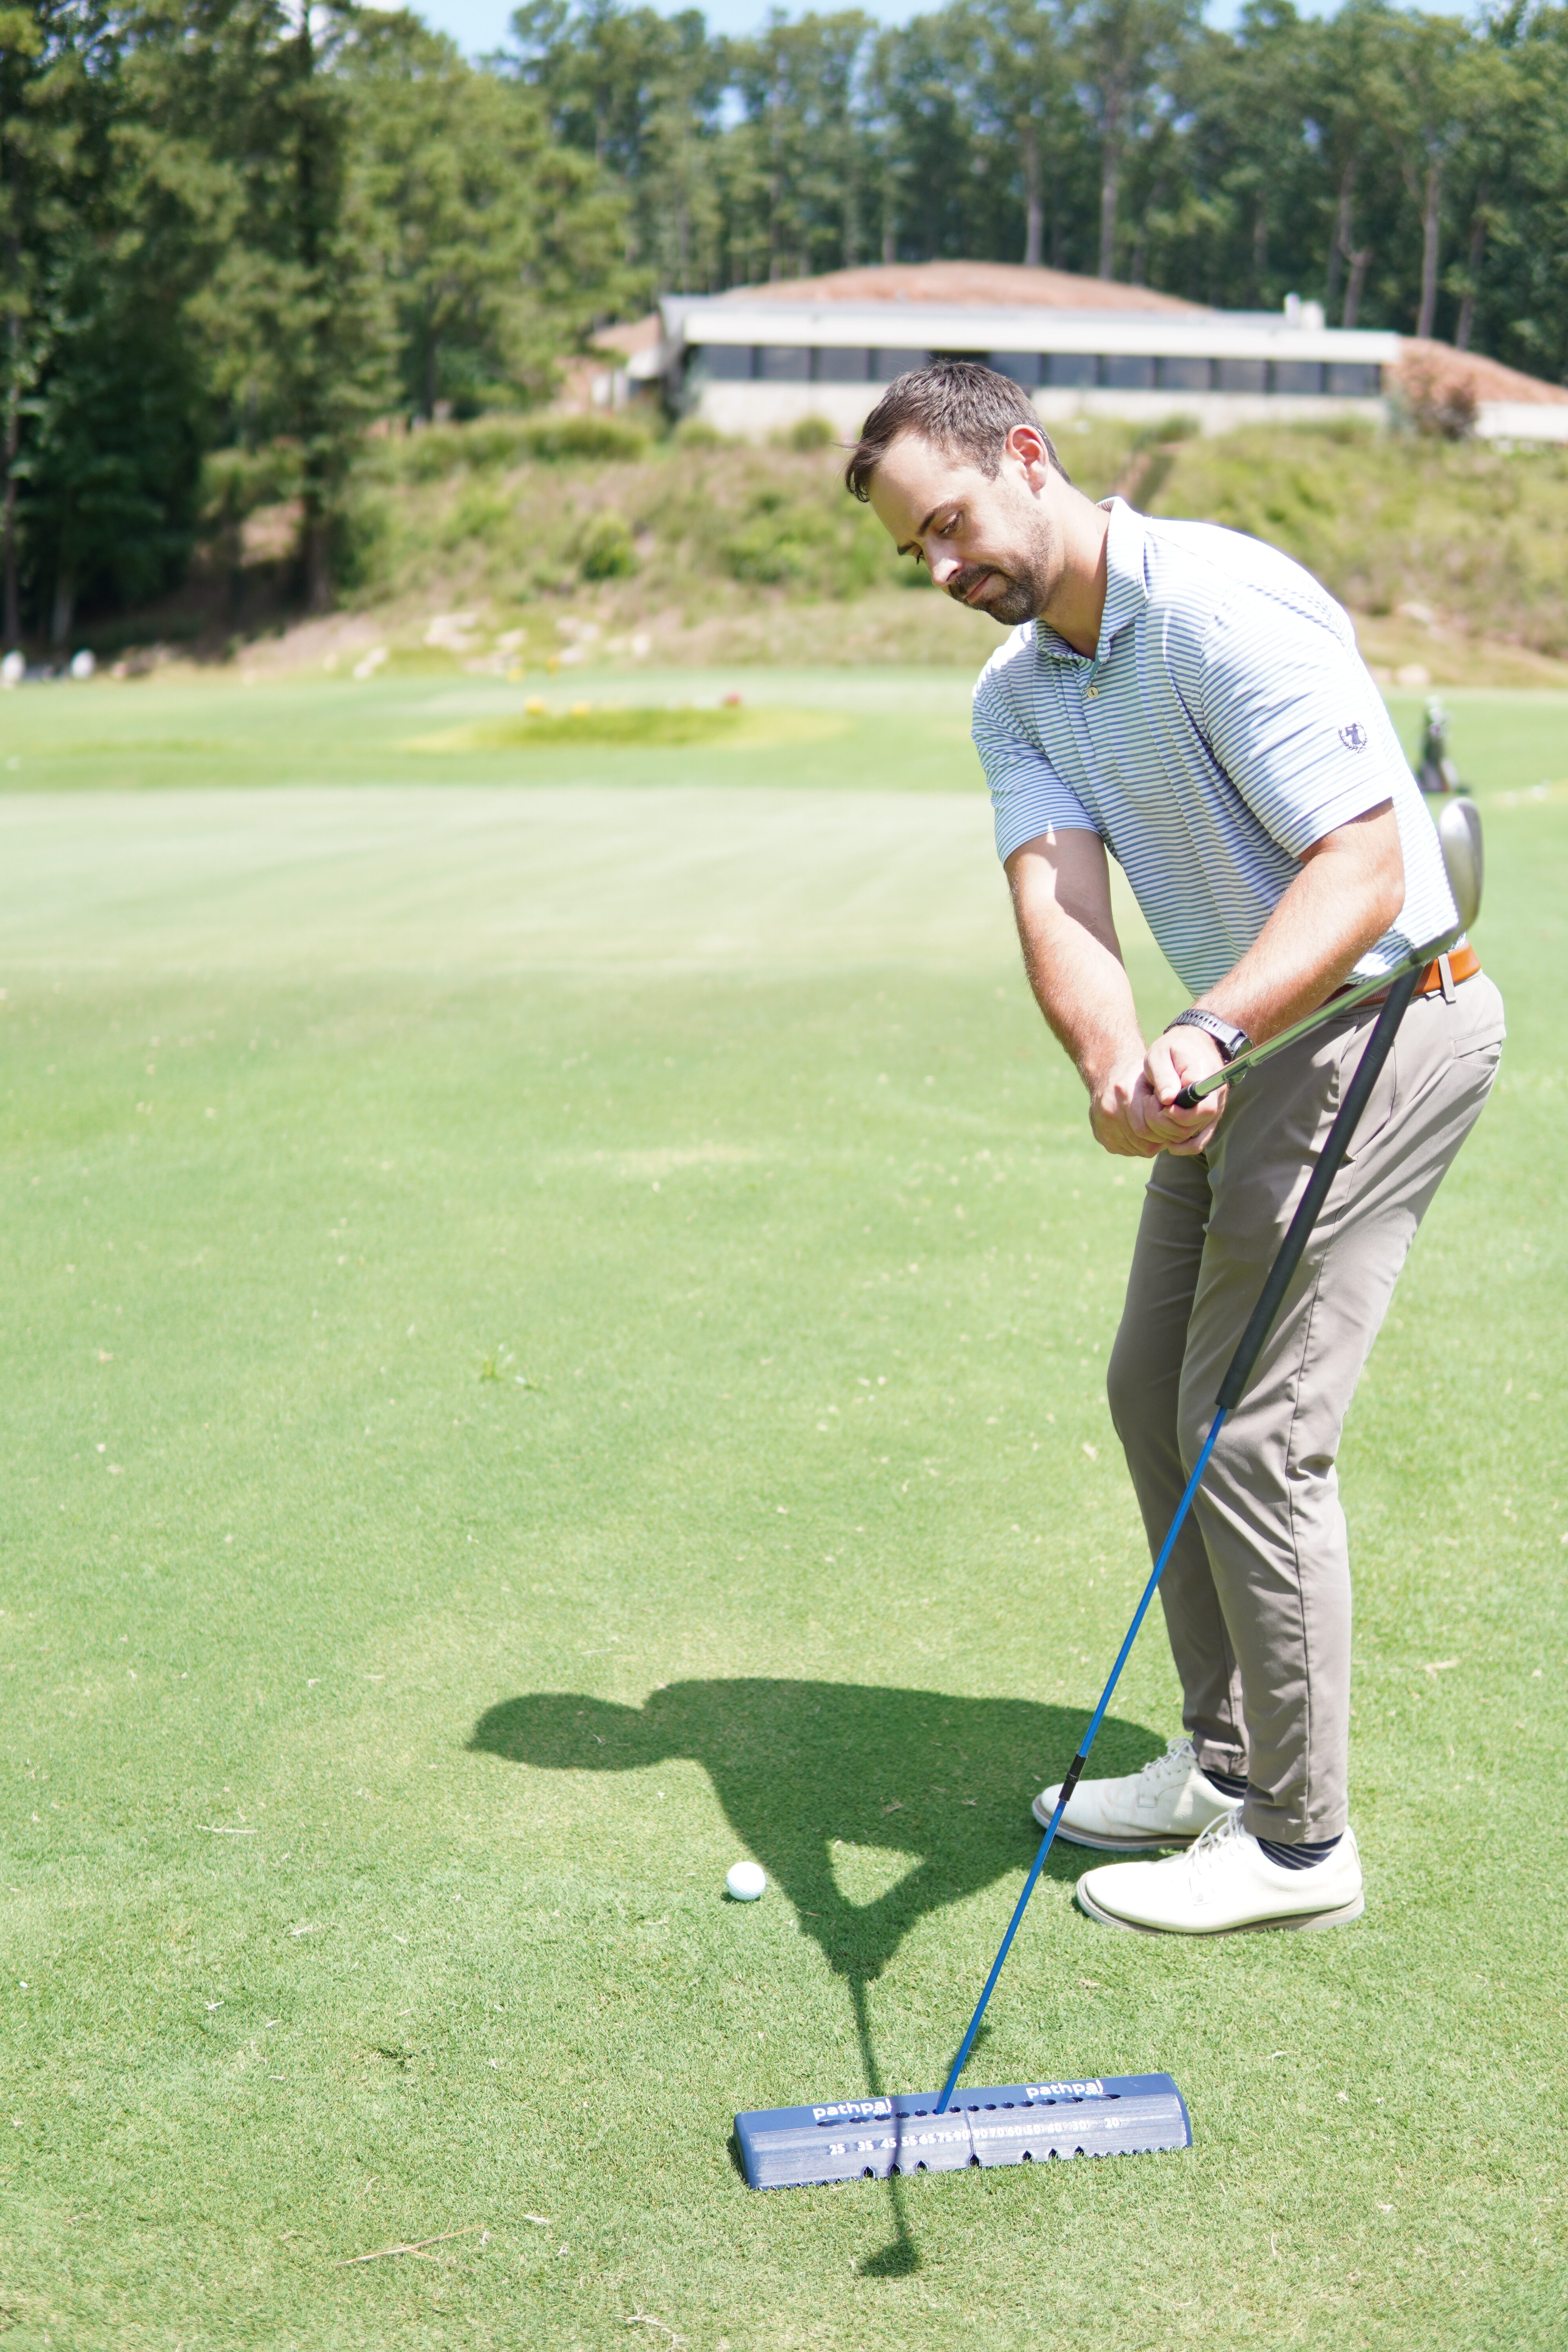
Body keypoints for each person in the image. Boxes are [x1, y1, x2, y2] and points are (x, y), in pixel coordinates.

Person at [846, 362, 1503, 1935]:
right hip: (1241, 1049)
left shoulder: (1214, 605)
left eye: (949, 525)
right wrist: (1107, 1068)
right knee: (1155, 1391)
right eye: (913, 555)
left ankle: (1297, 1843)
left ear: (1025, 455)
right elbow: (1058, 900)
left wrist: (1200, 1035)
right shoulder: (1020, 689)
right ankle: (1219, 1762)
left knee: (1252, 1431)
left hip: (1377, 1019)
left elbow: (1362, 862)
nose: (943, 570)